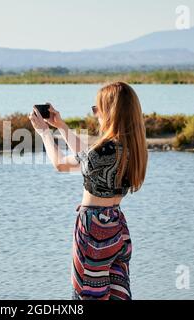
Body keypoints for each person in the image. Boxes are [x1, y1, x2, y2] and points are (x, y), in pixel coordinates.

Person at [29, 82, 148, 300]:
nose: (95, 115)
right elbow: (87, 159)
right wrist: (61, 126)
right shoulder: (132, 148)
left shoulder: (102, 150)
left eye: (97, 109)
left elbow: (62, 164)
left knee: (86, 295)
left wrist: (44, 132)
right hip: (117, 227)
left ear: (110, 112)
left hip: (93, 230)